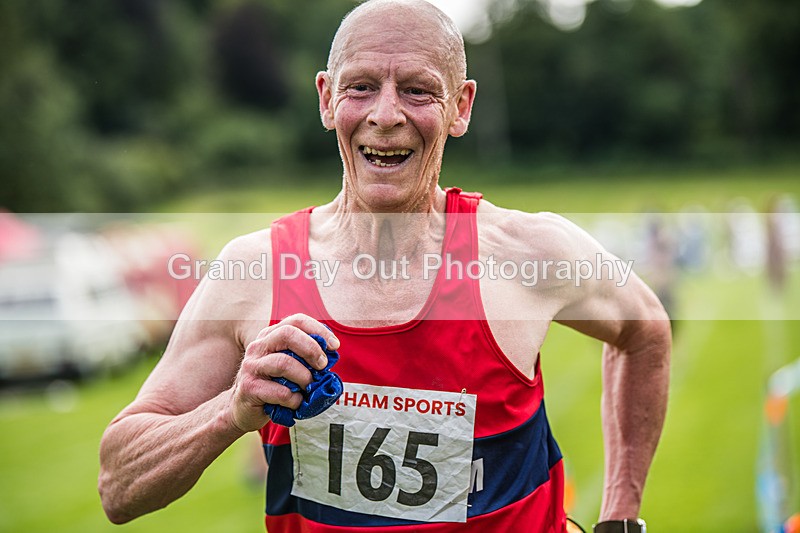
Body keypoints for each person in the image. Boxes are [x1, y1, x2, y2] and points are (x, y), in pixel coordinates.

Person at [98, 1, 671, 532]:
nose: (387, 114)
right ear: (326, 99)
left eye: (419, 91)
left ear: (461, 107)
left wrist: (621, 516)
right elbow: (118, 485)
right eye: (362, 87)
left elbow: (646, 332)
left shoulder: (531, 253)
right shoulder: (255, 272)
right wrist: (230, 410)